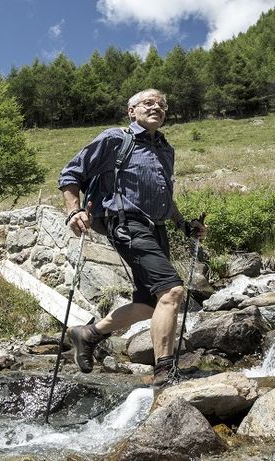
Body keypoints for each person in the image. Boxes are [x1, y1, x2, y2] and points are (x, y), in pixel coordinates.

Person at [58, 88, 206, 386]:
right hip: (125, 224)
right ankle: (164, 372)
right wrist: (74, 211)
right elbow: (71, 174)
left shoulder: (166, 149)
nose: (157, 108)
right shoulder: (115, 139)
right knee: (172, 291)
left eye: (162, 105)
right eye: (148, 103)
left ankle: (88, 334)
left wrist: (184, 225)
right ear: (132, 111)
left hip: (157, 228)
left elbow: (165, 196)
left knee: (150, 305)